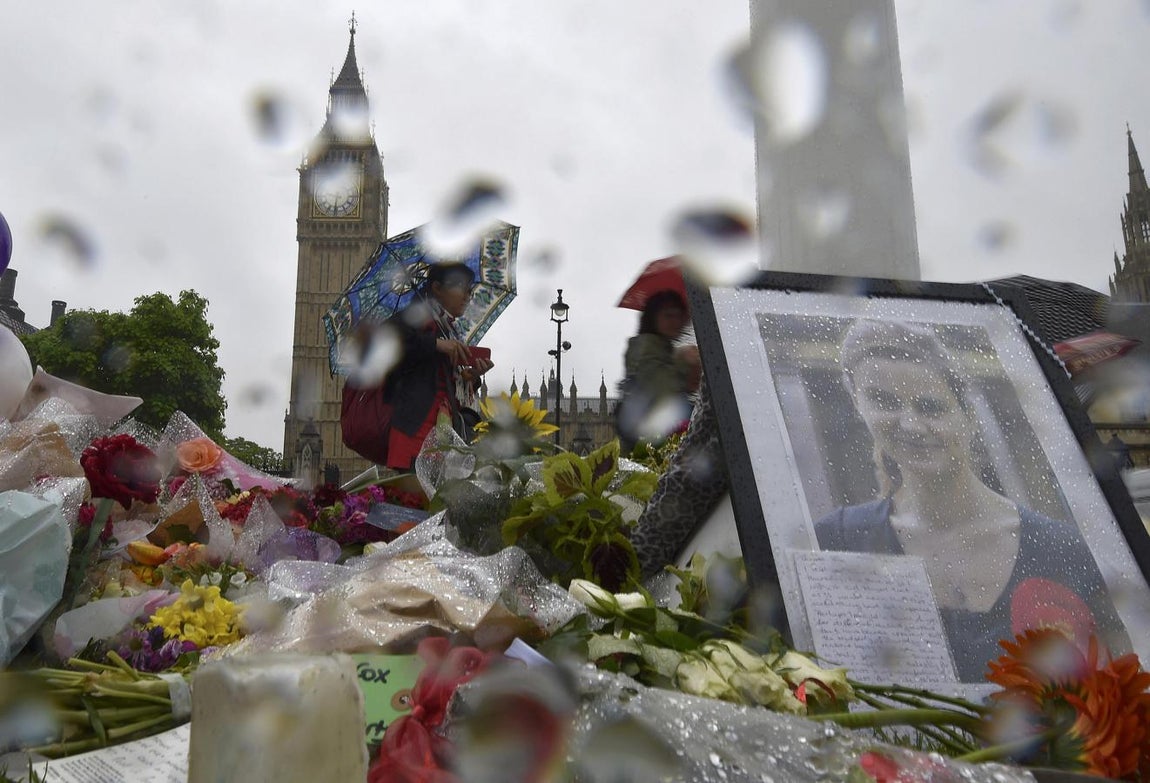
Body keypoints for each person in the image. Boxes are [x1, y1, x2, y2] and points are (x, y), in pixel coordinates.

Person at [814, 319, 1130, 681]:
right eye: (884, 401)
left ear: (969, 418)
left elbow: (1114, 681)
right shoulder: (835, 541)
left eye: (931, 407)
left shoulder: (1064, 548)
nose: (911, 426)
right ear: (858, 404)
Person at [379, 262, 494, 472]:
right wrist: (436, 344)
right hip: (415, 433)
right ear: (437, 288)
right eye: (461, 288)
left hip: (442, 433)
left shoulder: (447, 328)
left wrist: (470, 377)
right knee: (414, 502)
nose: (468, 295)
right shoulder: (413, 318)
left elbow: (437, 375)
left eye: (470, 289)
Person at [616, 290, 702, 454]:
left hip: (659, 446)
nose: (675, 321)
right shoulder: (644, 347)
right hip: (646, 450)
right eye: (668, 315)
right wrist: (683, 360)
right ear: (653, 318)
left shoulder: (665, 349)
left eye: (679, 315)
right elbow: (661, 389)